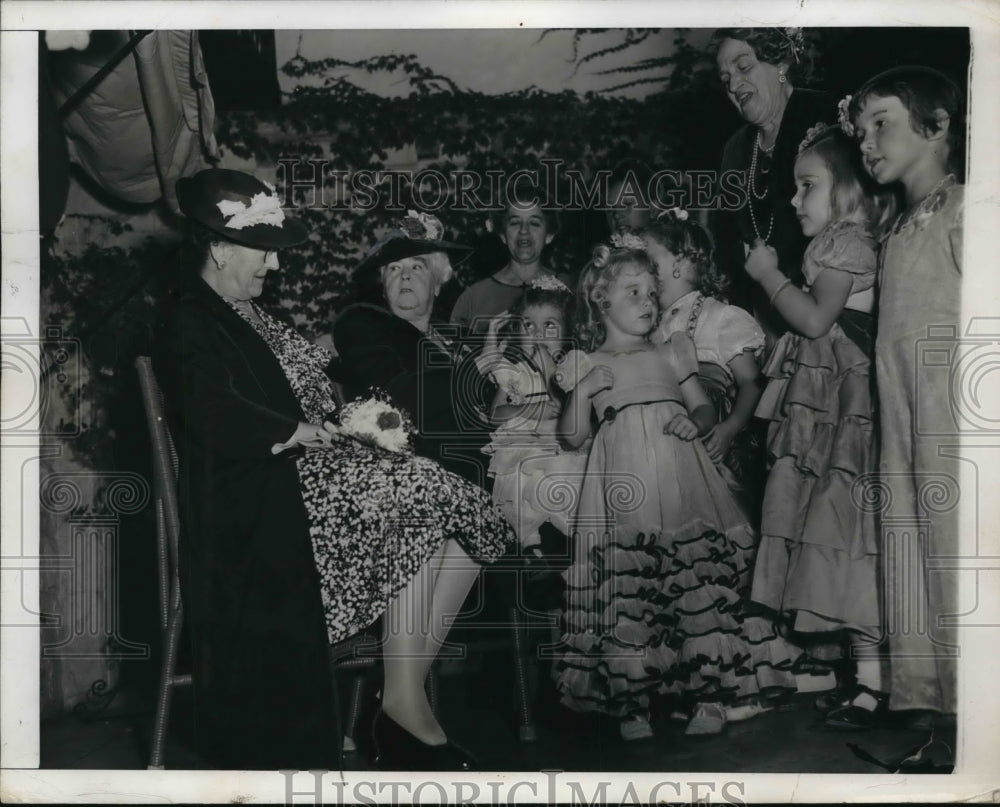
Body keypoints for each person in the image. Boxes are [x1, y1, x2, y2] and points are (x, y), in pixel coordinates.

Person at [156, 170, 515, 771]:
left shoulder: (245, 312)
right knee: (432, 493)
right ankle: (403, 710)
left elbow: (311, 387)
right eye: (263, 251)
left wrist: (347, 422)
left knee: (471, 508)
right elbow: (205, 403)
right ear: (218, 246)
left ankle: (399, 700)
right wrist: (297, 431)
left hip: (316, 477)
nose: (274, 266)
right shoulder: (190, 315)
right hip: (265, 498)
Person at [551, 239, 799, 742]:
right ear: (601, 300)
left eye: (652, 292)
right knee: (630, 592)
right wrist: (581, 392)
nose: (648, 302)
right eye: (633, 292)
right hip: (624, 488)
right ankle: (633, 702)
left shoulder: (671, 352)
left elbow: (702, 406)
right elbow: (572, 435)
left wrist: (699, 422)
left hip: (682, 480)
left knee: (694, 584)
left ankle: (708, 693)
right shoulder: (585, 363)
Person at [742, 124, 895, 729]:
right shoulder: (838, 242)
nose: (795, 200)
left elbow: (812, 320)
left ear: (849, 193)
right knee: (836, 540)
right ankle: (865, 679)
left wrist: (766, 276)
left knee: (849, 538)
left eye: (808, 187)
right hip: (832, 414)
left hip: (849, 416)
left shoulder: (847, 243)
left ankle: (877, 684)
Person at [848, 66, 964, 734]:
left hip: (955, 422)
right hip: (903, 425)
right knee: (911, 548)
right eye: (861, 129)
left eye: (882, 122)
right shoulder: (896, 228)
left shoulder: (966, 210)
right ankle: (940, 706)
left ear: (939, 125)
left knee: (957, 551)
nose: (867, 141)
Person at [330, 211, 496, 487]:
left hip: (497, 459)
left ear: (437, 285)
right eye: (394, 269)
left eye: (417, 267)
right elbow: (393, 393)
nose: (405, 276)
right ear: (383, 288)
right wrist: (477, 370)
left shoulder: (462, 337)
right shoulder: (362, 324)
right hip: (426, 472)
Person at [641, 210, 766, 520]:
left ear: (679, 265)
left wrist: (728, 429)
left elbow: (752, 382)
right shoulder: (647, 323)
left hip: (710, 438)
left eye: (647, 261)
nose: (639, 270)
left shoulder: (721, 317)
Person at [711, 27, 832, 344]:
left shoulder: (825, 115)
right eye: (725, 80)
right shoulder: (735, 150)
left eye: (743, 67)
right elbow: (730, 247)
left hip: (831, 305)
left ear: (781, 64)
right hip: (768, 320)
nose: (735, 85)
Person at [476, 276, 587, 557]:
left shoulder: (573, 368)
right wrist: (528, 409)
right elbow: (495, 415)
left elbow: (572, 411)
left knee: (566, 476)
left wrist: (551, 369)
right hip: (523, 448)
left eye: (549, 325)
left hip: (559, 445)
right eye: (529, 325)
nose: (538, 334)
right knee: (521, 480)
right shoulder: (514, 373)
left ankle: (573, 538)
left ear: (567, 331)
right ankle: (531, 545)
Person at [450, 181, 569, 334]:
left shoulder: (570, 288)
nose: (524, 231)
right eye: (514, 222)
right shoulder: (473, 298)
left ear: (549, 235)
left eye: (534, 223)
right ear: (502, 234)